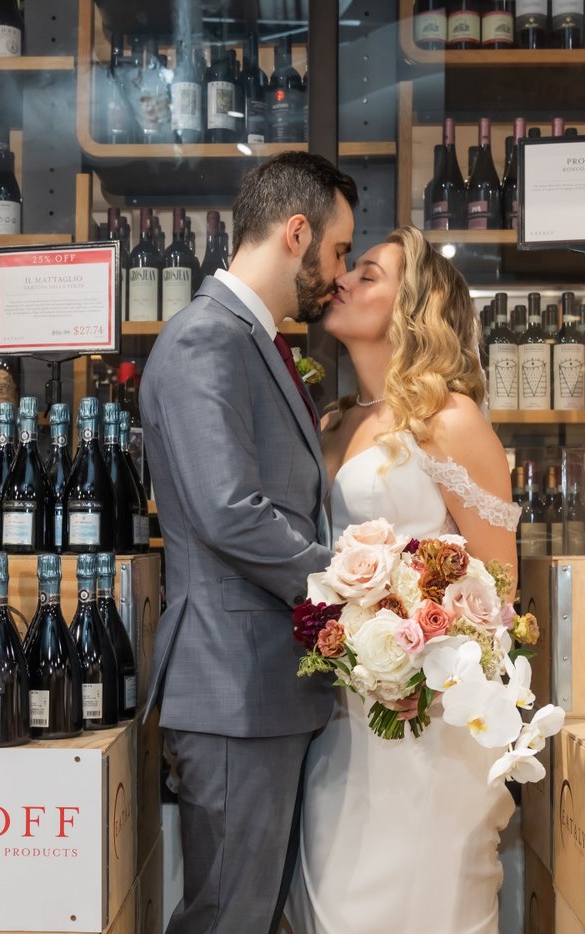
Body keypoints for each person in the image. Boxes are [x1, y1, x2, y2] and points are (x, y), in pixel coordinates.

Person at [140, 152, 358, 934]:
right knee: (227, 918)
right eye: (336, 253)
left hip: (260, 686)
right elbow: (230, 510)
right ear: (295, 233)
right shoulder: (209, 338)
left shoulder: (249, 340)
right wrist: (353, 585)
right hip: (233, 686)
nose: (338, 277)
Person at [285, 226, 522, 934]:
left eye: (368, 274)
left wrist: (418, 628)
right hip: (334, 717)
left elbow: (496, 586)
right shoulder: (328, 423)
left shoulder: (448, 419)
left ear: (413, 305)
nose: (344, 282)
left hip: (425, 722)